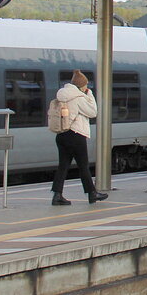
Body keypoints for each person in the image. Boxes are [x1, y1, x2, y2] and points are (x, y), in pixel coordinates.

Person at [52, 69, 108, 205]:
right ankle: (92, 194)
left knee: (63, 166)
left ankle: (57, 195)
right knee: (83, 166)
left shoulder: (61, 95)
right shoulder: (77, 98)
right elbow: (93, 112)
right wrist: (90, 95)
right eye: (85, 85)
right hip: (76, 135)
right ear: (81, 86)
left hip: (61, 134)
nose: (86, 87)